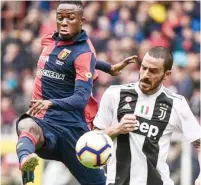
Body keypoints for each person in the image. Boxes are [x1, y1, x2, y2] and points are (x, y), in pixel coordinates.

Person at [15, 1, 137, 185]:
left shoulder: (83, 53)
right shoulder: (49, 40)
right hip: (44, 122)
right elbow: (75, 59)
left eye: (70, 18)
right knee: (25, 124)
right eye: (60, 17)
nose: (64, 22)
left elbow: (80, 99)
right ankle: (26, 162)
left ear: (82, 20)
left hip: (73, 132)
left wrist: (51, 102)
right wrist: (109, 68)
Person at [94, 46, 201, 185]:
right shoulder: (114, 94)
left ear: (167, 74)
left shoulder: (176, 103)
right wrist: (116, 129)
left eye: (153, 71)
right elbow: (94, 138)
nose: (145, 75)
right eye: (143, 68)